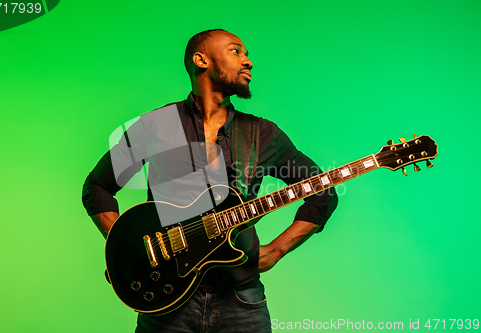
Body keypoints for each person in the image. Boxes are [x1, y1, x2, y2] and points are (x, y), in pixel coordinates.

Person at [82, 29, 338, 333]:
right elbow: (97, 187)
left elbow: (324, 191)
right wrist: (126, 247)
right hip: (167, 301)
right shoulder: (156, 125)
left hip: (241, 300)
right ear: (200, 60)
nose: (249, 61)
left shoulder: (263, 134)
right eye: (236, 51)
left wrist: (279, 248)